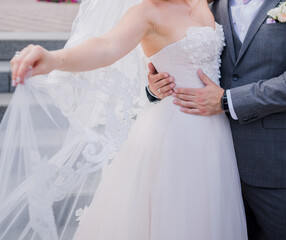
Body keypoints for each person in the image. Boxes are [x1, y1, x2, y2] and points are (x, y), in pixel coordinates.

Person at [5, 0, 248, 239]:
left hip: (216, 131)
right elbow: (106, 46)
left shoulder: (209, 3)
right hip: (174, 136)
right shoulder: (147, 12)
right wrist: (55, 59)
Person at [147, 0, 286, 239]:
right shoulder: (205, 5)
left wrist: (227, 100)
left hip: (278, 162)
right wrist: (157, 88)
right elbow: (183, 58)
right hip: (209, 164)